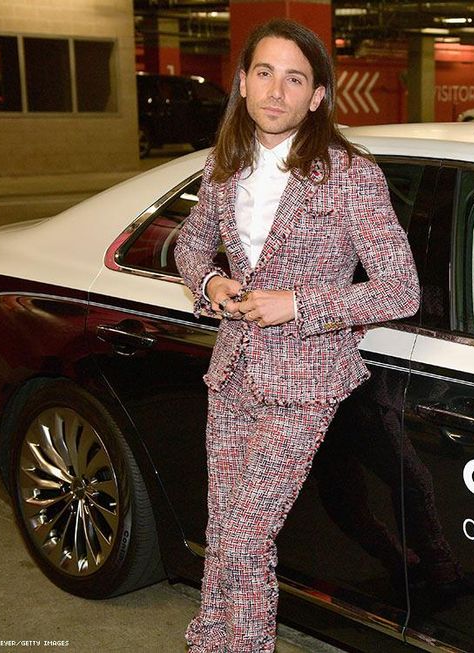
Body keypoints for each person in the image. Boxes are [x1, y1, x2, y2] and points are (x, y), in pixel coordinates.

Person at [173, 19, 419, 652]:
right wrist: (210, 282)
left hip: (304, 382)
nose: (275, 91)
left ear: (317, 96)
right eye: (264, 73)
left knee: (245, 537)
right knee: (223, 526)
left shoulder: (350, 174)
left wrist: (298, 304)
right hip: (232, 372)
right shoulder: (223, 166)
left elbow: (400, 289)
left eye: (294, 78)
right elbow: (190, 245)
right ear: (242, 83)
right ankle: (210, 638)